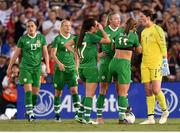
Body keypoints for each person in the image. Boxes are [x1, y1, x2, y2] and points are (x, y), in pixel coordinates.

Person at [65, 18, 111, 124]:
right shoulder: (91, 36)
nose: (97, 26)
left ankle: (79, 115)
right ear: (91, 27)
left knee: (88, 94)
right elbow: (108, 40)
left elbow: (67, 45)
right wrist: (102, 30)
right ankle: (86, 118)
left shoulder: (79, 37)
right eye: (95, 25)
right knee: (90, 94)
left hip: (82, 69)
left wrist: (75, 53)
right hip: (91, 69)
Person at [7, 19, 50, 122]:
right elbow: (16, 54)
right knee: (29, 91)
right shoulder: (22, 39)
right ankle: (30, 113)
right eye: (28, 26)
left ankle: (29, 111)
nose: (30, 28)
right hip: (25, 68)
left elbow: (45, 53)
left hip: (37, 69)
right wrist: (9, 67)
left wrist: (48, 66)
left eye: (32, 26)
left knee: (36, 93)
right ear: (26, 28)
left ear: (36, 27)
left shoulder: (41, 38)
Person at [139, 10, 170, 124]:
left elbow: (163, 46)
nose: (140, 19)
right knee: (148, 90)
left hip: (156, 62)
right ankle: (150, 118)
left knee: (156, 90)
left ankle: (165, 111)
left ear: (148, 17)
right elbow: (142, 48)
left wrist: (165, 62)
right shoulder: (143, 32)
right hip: (145, 63)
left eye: (142, 16)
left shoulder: (158, 29)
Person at [109, 18, 142, 124]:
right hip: (123, 64)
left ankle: (126, 108)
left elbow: (113, 47)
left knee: (119, 91)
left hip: (113, 63)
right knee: (123, 93)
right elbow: (139, 51)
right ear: (134, 26)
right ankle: (122, 118)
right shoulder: (134, 35)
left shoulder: (118, 32)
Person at [96, 12, 124, 124]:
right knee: (103, 89)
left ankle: (122, 116)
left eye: (119, 18)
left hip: (118, 62)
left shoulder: (122, 31)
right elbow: (90, 43)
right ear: (110, 20)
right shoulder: (102, 31)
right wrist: (96, 55)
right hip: (106, 62)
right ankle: (99, 116)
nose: (119, 20)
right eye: (116, 19)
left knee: (120, 90)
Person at [51, 19, 80, 122]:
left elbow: (77, 55)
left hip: (71, 69)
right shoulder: (57, 39)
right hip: (60, 70)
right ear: (61, 27)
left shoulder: (74, 39)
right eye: (66, 26)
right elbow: (53, 54)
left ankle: (77, 113)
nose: (68, 27)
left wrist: (76, 68)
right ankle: (57, 114)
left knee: (74, 90)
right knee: (58, 92)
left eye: (69, 25)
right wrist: (59, 64)